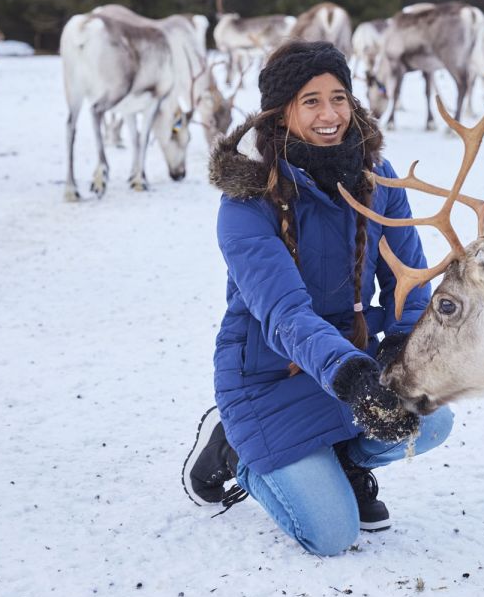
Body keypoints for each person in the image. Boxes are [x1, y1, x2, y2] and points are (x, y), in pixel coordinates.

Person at [182, 39, 453, 555]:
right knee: (332, 536)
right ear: (281, 113)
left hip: (352, 362)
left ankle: (345, 460)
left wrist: (400, 348)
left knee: (432, 416)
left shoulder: (379, 177)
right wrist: (354, 378)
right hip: (269, 378)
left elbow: (409, 280)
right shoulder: (247, 200)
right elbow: (285, 315)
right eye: (311, 101)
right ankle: (235, 449)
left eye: (339, 98)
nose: (330, 114)